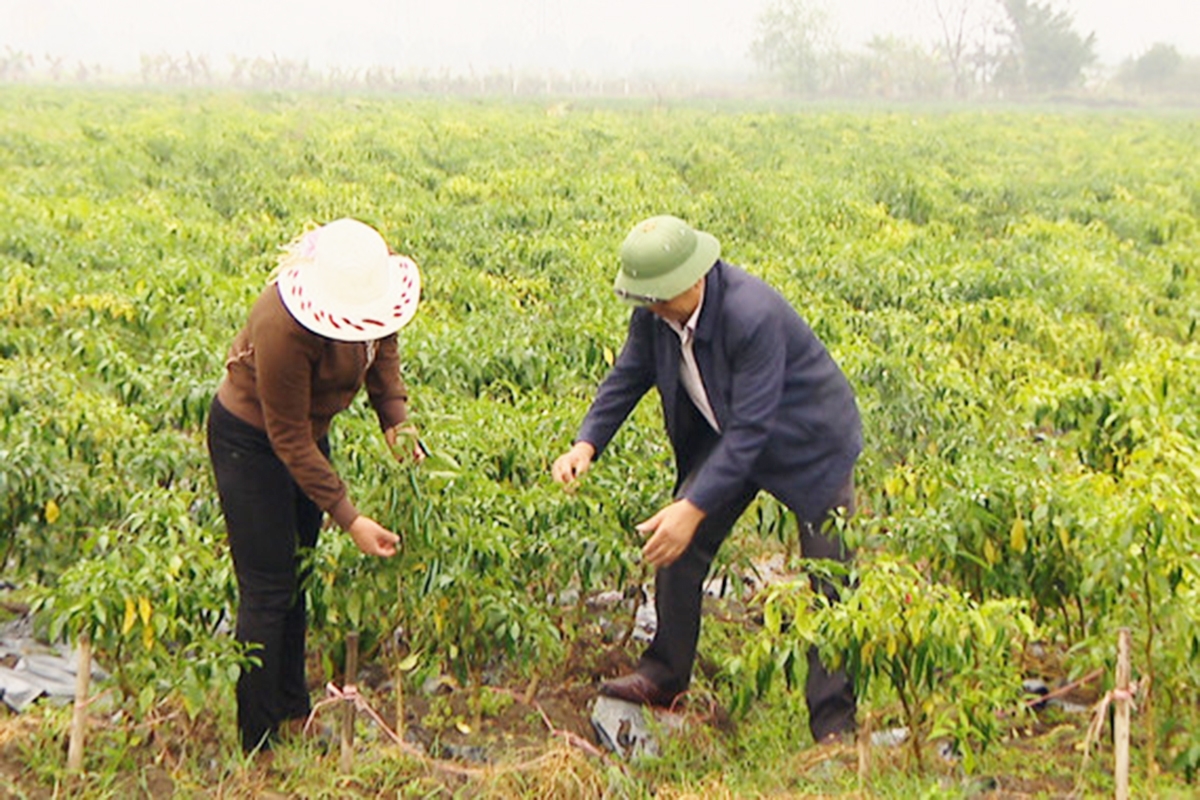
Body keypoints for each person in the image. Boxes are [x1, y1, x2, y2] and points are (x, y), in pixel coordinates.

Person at [551, 214, 862, 743]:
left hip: (809, 445)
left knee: (830, 582)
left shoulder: (751, 314)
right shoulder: (655, 316)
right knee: (676, 545)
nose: (650, 307)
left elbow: (754, 429)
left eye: (657, 297)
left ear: (692, 279)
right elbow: (628, 376)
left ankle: (834, 725)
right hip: (732, 435)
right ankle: (664, 675)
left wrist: (693, 507)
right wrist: (586, 443)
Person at [206, 218, 424, 754]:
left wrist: (395, 421)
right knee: (268, 586)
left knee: (298, 574)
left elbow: (382, 355)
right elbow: (287, 436)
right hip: (251, 441)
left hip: (305, 436)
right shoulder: (282, 324)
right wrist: (349, 517)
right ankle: (258, 739)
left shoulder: (374, 303)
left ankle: (293, 710)